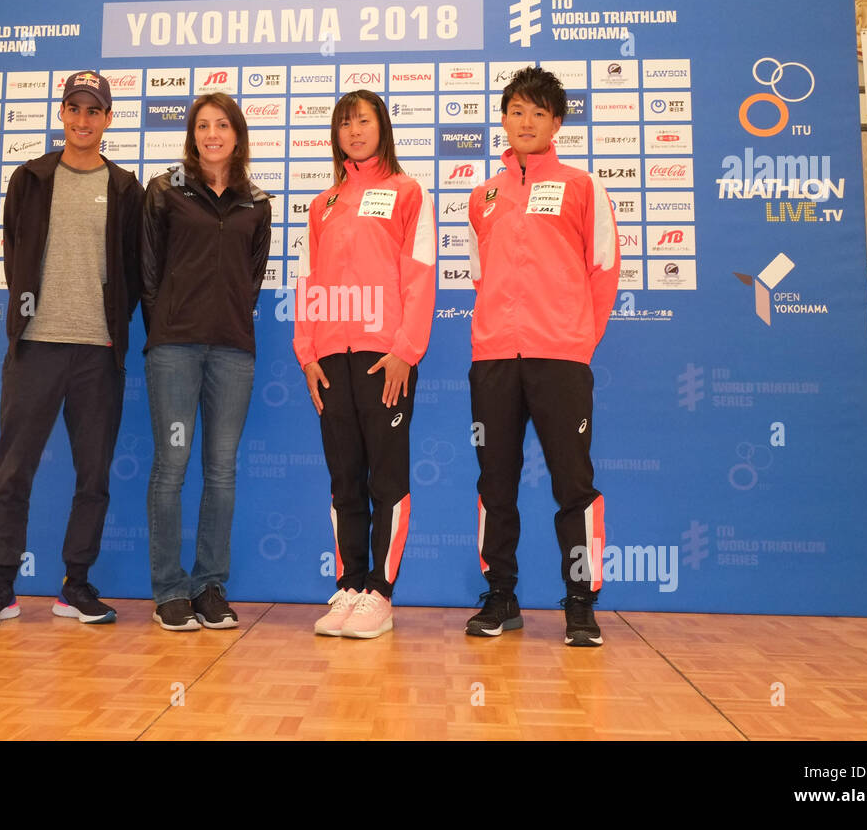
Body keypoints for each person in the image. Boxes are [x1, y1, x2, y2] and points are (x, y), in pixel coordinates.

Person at [0, 70, 145, 628]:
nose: (83, 120)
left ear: (108, 119)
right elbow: (14, 248)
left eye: (94, 111)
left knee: (94, 477)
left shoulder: (125, 187)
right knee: (13, 470)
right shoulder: (31, 178)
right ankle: (1, 588)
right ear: (62, 114)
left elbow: (135, 269)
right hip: (35, 346)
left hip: (98, 352)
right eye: (74, 109)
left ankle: (76, 586)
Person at [464, 66, 619, 646]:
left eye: (538, 113)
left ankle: (581, 601)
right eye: (516, 111)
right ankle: (500, 596)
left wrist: (577, 340)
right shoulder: (484, 196)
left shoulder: (583, 187)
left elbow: (603, 270)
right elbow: (481, 277)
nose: (525, 122)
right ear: (503, 119)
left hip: (561, 360)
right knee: (494, 483)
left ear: (557, 122)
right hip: (494, 361)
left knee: (574, 485)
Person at [293, 90, 435, 639]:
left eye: (364, 122)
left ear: (383, 129)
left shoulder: (406, 193)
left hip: (385, 358)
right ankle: (350, 585)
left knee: (386, 478)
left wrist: (405, 350)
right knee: (344, 479)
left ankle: (381, 592)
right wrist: (307, 354)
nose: (354, 131)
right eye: (345, 123)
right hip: (331, 359)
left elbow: (420, 274)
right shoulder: (321, 205)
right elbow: (306, 284)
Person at [140, 93, 271, 631]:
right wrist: (168, 329)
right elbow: (148, 274)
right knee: (172, 466)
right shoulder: (163, 191)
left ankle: (209, 585)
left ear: (237, 135)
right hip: (174, 350)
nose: (212, 134)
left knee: (221, 470)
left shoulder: (256, 203)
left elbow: (253, 277)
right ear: (192, 135)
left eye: (222, 125)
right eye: (202, 126)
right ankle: (169, 589)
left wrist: (229, 321)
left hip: (233, 352)